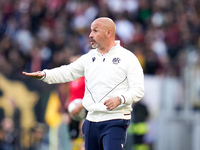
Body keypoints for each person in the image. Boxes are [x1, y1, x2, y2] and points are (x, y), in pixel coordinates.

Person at [22, 17, 144, 150]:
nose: (90, 35)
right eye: (91, 31)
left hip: (115, 120)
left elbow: (138, 90)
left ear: (109, 33)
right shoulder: (89, 58)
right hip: (90, 121)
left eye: (95, 31)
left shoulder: (128, 58)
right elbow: (67, 72)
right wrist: (45, 75)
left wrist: (120, 99)